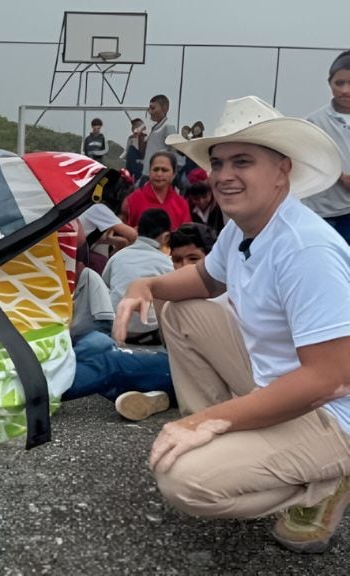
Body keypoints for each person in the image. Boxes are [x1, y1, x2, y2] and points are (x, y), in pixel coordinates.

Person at [113, 95, 350, 554]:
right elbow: (204, 278)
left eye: (243, 161)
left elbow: (331, 378)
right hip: (282, 386)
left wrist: (213, 418)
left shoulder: (305, 249)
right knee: (179, 309)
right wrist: (146, 283)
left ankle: (325, 482)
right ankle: (233, 439)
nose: (223, 175)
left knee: (184, 481)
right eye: (218, 162)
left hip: (333, 416)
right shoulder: (247, 227)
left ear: (283, 169)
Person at [64, 225, 174, 421]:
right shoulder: (169, 269)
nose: (183, 267)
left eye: (193, 259)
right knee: (109, 365)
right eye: (179, 260)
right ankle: (154, 397)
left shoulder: (214, 295)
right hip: (177, 368)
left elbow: (105, 326)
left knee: (103, 351)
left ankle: (37, 390)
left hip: (186, 371)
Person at [103, 208, 174, 345]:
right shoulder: (167, 263)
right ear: (166, 237)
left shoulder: (117, 257)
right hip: (150, 333)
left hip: (115, 328)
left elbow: (104, 287)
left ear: (136, 229)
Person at [303, 49, 350, 243]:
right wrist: (340, 177)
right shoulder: (315, 121)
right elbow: (307, 157)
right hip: (324, 211)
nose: (345, 90)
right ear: (329, 83)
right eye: (339, 83)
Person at [121, 151, 192, 231]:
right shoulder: (131, 201)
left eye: (164, 170)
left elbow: (187, 237)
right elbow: (121, 236)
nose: (159, 174)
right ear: (149, 172)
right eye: (155, 169)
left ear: (173, 174)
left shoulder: (181, 204)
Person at [138, 94, 177, 179]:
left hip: (158, 175)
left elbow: (173, 151)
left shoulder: (168, 126)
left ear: (165, 108)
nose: (150, 112)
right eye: (149, 109)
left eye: (153, 108)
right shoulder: (154, 127)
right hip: (147, 172)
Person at [185, 168, 225, 234]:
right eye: (196, 198)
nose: (201, 202)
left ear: (211, 192)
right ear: (190, 196)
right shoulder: (186, 209)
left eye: (204, 196)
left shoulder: (221, 207)